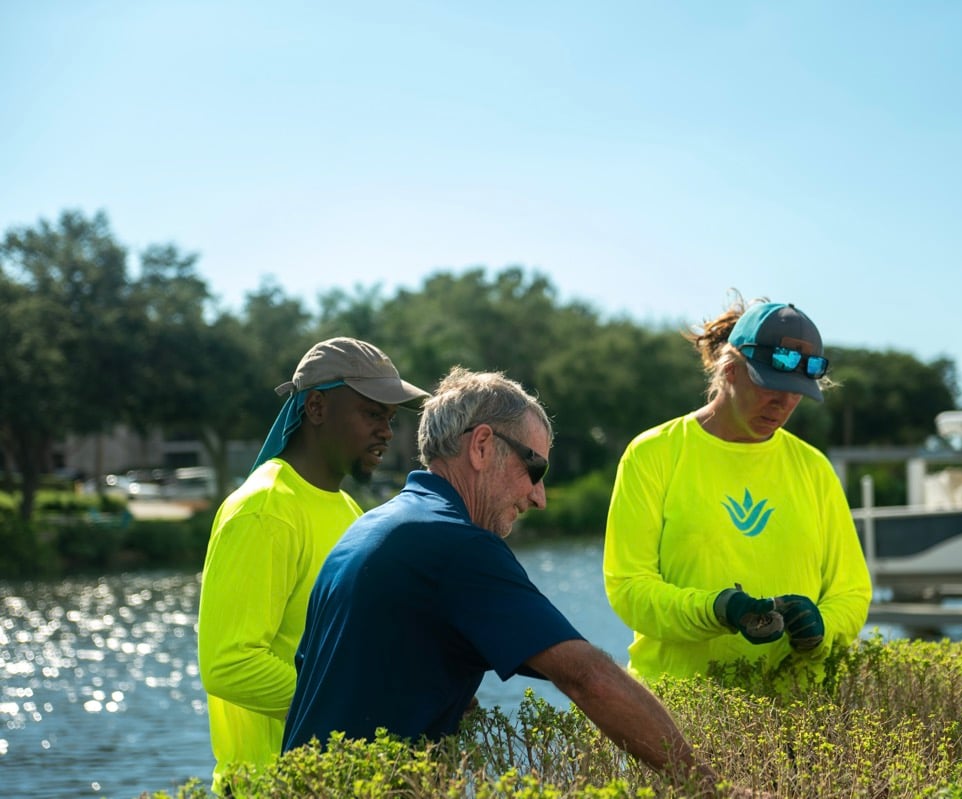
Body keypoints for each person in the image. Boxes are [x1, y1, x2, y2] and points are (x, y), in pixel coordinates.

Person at [282, 366, 743, 796]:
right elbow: (586, 676)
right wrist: (710, 789)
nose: (539, 496)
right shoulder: (454, 543)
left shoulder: (371, 529)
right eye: (535, 469)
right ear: (482, 446)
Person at [603, 296, 872, 690]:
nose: (783, 403)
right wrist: (717, 610)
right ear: (729, 370)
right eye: (771, 386)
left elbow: (852, 592)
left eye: (797, 391)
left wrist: (820, 626)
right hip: (678, 714)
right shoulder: (653, 455)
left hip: (797, 713)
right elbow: (628, 589)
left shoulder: (814, 468)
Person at [197, 337, 429, 791]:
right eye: (372, 413)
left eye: (391, 418)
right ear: (318, 408)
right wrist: (359, 704)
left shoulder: (349, 511)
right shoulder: (264, 510)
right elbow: (229, 664)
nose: (387, 431)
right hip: (269, 786)